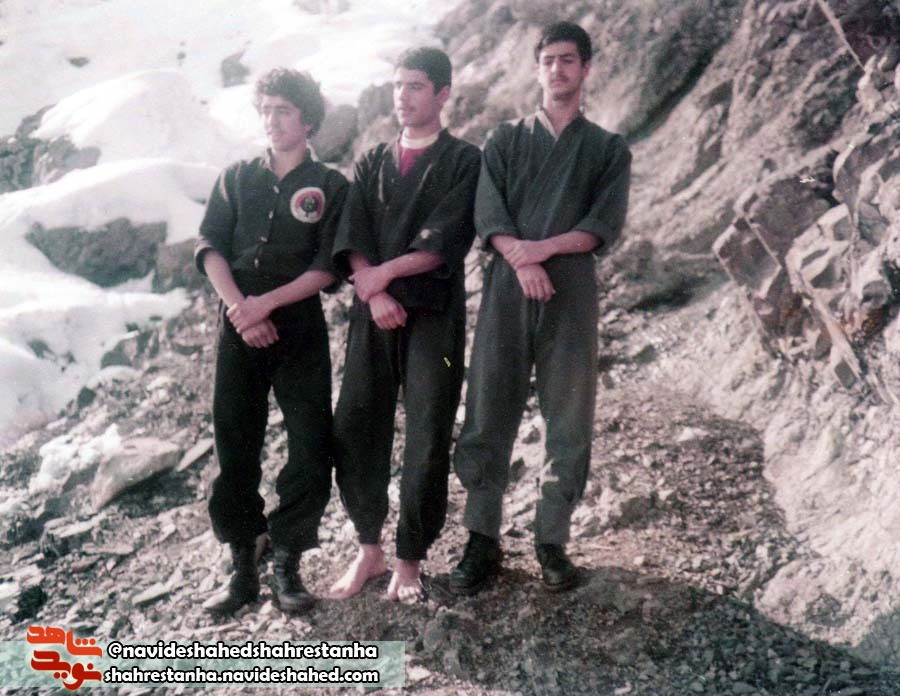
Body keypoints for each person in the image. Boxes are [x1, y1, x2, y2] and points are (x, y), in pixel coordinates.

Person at [450, 21, 632, 595]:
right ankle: (481, 539)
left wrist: (542, 250)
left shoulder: (607, 148)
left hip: (571, 289)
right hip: (507, 287)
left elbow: (602, 225)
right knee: (489, 404)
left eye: (568, 59)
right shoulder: (504, 140)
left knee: (569, 413)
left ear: (586, 68)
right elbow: (488, 213)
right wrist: (521, 259)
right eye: (549, 59)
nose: (558, 68)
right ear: (537, 69)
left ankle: (552, 540)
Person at [328, 47, 480, 602]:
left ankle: (409, 559)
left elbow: (445, 242)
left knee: (427, 430)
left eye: (416, 86)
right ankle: (368, 547)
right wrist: (374, 292)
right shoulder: (373, 161)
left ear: (442, 94)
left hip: (432, 316)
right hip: (374, 315)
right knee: (357, 423)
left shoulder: (463, 161)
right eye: (398, 85)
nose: (403, 96)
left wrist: (382, 279)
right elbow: (353, 234)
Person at [194, 68, 348, 616]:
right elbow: (210, 248)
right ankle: (242, 562)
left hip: (298, 327)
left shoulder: (330, 186)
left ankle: (287, 559)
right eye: (265, 110)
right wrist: (242, 308)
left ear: (308, 119)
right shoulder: (237, 177)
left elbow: (328, 266)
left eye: (283, 110)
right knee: (235, 442)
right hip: (237, 324)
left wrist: (268, 305)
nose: (272, 120)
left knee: (309, 444)